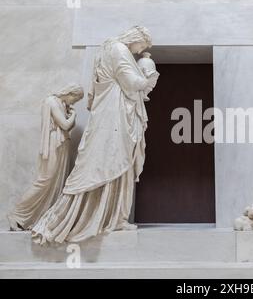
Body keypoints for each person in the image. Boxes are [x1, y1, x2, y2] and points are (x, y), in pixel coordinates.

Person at [32, 26, 159, 245]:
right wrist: (149, 77)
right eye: (142, 46)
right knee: (110, 158)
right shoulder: (119, 49)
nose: (140, 51)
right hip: (114, 113)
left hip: (112, 111)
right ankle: (109, 217)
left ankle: (114, 217)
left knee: (113, 158)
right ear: (137, 39)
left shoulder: (106, 48)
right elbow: (131, 83)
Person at [7, 84, 83, 231]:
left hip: (61, 145)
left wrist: (70, 115)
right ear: (70, 93)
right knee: (44, 181)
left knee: (56, 182)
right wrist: (73, 115)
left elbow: (67, 127)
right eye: (75, 99)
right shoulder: (51, 102)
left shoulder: (60, 104)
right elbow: (66, 125)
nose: (73, 103)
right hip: (53, 144)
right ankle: (16, 214)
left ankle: (41, 218)